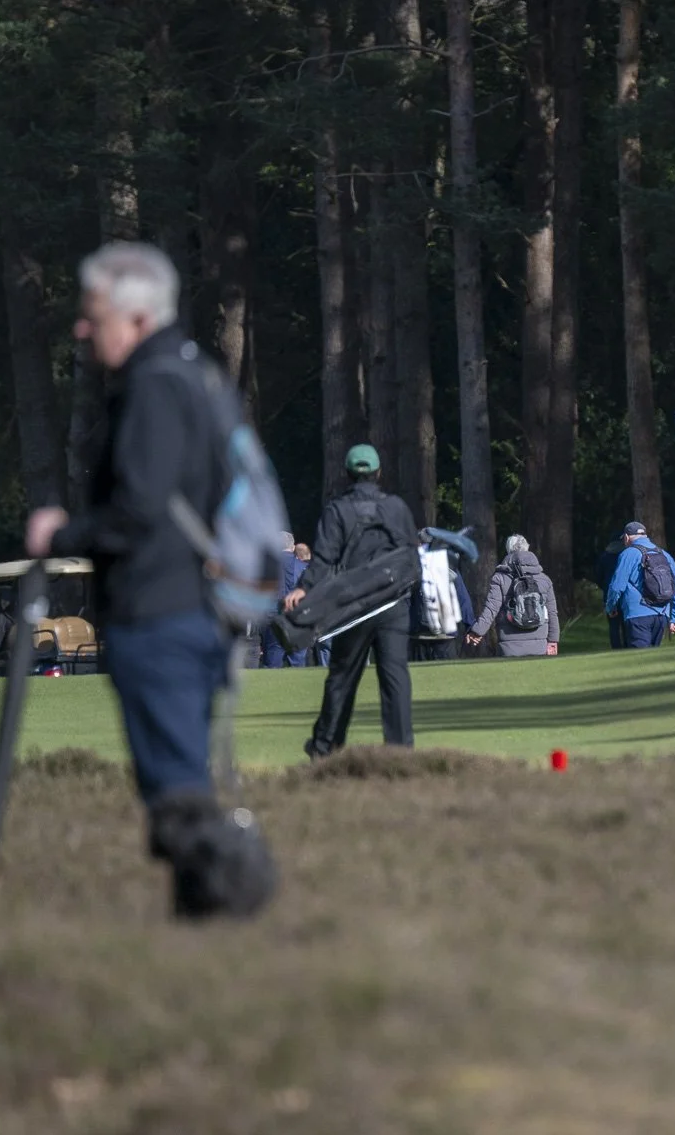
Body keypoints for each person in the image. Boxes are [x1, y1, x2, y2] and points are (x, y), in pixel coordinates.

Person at [24, 241, 275, 919]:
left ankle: (235, 907)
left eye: (94, 314)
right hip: (186, 609)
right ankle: (204, 934)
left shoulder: (156, 383)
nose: (82, 328)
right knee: (179, 783)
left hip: (162, 616)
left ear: (135, 318)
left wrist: (60, 536)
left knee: (177, 797)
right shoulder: (191, 374)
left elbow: (138, 510)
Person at [287, 443, 419, 757]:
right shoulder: (397, 508)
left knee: (343, 677)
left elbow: (322, 560)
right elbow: (412, 552)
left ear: (347, 473)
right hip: (393, 603)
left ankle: (325, 748)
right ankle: (401, 751)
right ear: (378, 473)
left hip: (354, 604)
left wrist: (302, 589)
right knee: (395, 675)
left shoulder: (337, 510)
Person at [468, 534, 561, 656]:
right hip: (539, 645)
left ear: (508, 551)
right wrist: (553, 641)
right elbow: (552, 613)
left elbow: (491, 609)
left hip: (509, 645)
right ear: (527, 549)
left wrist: (477, 631)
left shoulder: (500, 578)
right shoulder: (544, 579)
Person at [604, 521, 675, 648]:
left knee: (640, 660)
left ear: (626, 537)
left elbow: (617, 586)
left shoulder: (628, 554)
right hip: (662, 614)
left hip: (637, 615)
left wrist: (611, 607)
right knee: (652, 659)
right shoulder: (663, 554)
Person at [260, 532, 308, 669]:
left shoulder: (266, 565)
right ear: (293, 547)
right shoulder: (303, 566)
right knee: (298, 662)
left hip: (272, 616)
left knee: (272, 661)